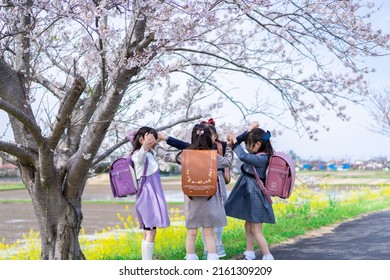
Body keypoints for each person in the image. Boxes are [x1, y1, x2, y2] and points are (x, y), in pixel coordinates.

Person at [156, 123, 233, 260]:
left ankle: (191, 258)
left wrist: (155, 146)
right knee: (209, 231)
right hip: (210, 198)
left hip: (192, 199)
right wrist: (229, 147)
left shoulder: (185, 155)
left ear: (192, 138)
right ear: (210, 138)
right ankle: (212, 257)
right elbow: (227, 162)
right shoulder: (213, 156)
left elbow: (167, 156)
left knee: (191, 232)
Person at [225, 127, 275, 260]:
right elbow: (246, 154)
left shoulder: (262, 158)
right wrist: (248, 131)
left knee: (256, 229)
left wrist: (236, 142)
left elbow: (243, 156)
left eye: (248, 144)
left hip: (255, 196)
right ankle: (249, 253)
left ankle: (268, 256)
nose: (246, 147)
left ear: (258, 144)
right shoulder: (257, 156)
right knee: (248, 226)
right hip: (250, 194)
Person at [130, 126, 170, 260]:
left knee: (149, 231)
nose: (153, 142)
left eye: (153, 139)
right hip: (147, 196)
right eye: (150, 139)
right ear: (141, 139)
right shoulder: (138, 154)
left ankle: (146, 261)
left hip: (152, 194)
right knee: (150, 231)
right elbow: (140, 158)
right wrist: (145, 145)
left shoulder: (150, 154)